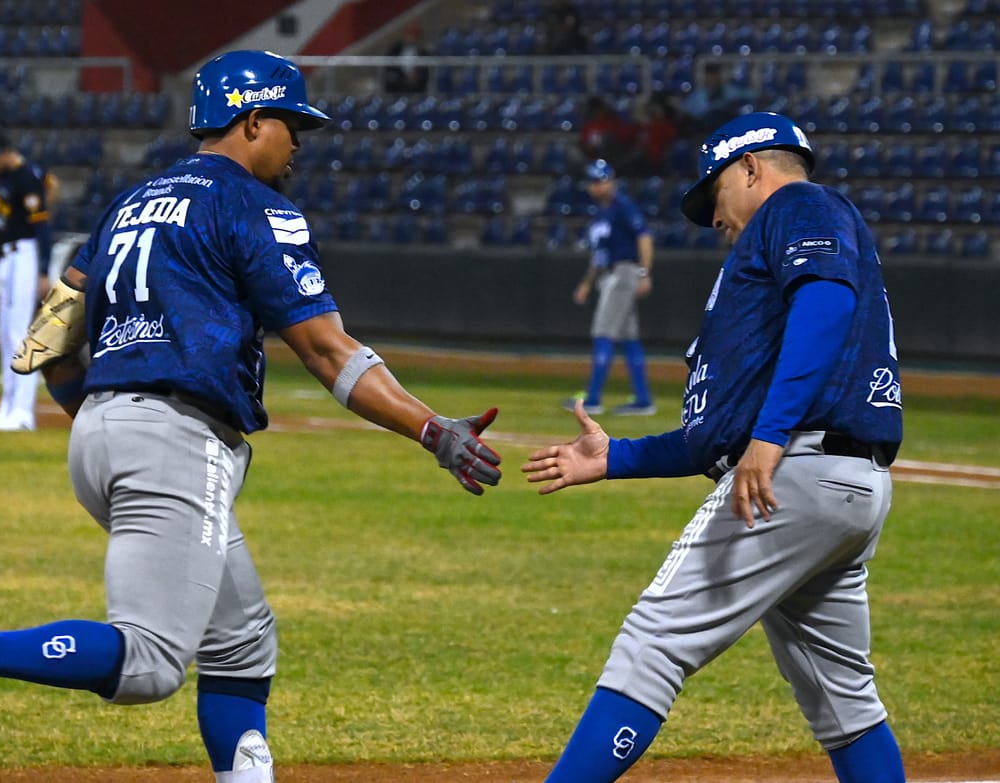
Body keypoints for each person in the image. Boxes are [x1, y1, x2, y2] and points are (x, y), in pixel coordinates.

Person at [0, 50, 503, 783]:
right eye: (292, 124)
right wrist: (432, 429)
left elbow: (53, 342)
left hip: (100, 428)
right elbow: (327, 352)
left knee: (242, 641)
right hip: (174, 436)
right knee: (152, 660)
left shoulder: (129, 202)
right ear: (253, 121)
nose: (300, 142)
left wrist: (104, 417)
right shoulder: (252, 205)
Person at [523, 112, 906, 783]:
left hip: (793, 472)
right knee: (845, 702)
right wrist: (618, 458)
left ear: (753, 167)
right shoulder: (773, 247)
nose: (716, 219)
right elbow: (715, 438)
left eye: (716, 194)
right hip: (842, 482)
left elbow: (826, 300)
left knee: (652, 642)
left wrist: (771, 434)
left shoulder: (797, 204)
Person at [0, 130, 57, 432]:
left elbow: (42, 226)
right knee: (6, 333)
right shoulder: (10, 176)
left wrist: (44, 270)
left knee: (19, 333)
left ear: (1, 152)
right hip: (9, 257)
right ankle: (7, 407)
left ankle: (22, 413)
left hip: (26, 255)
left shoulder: (25, 177)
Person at [565, 158, 655, 416]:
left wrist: (645, 272)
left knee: (603, 333)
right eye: (594, 181)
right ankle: (643, 400)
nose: (597, 186)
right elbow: (599, 255)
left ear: (611, 180)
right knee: (628, 339)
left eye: (601, 180)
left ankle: (592, 399)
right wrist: (587, 283)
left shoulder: (622, 206)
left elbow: (645, 237)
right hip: (611, 273)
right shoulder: (601, 212)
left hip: (624, 272)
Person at [383, 22, 430, 93]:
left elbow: (425, 70)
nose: (412, 38)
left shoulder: (423, 51)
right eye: (410, 34)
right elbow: (390, 66)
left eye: (415, 35)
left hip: (417, 86)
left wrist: (416, 76)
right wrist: (404, 76)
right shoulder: (396, 49)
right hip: (398, 83)